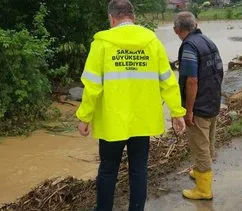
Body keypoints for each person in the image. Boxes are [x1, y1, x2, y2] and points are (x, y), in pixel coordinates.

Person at [76, 1, 186, 210]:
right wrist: (176, 112)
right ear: (133, 17)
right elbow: (168, 81)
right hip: (142, 121)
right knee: (138, 169)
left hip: (112, 121)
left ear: (112, 18)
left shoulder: (102, 43)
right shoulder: (152, 42)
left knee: (108, 169)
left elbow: (92, 87)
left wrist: (84, 117)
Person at [173, 11, 224, 200]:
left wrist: (189, 109)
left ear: (176, 30)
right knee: (208, 140)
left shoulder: (188, 46)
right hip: (213, 99)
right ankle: (200, 172)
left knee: (200, 145)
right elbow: (220, 70)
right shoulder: (208, 41)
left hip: (200, 105)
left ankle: (204, 190)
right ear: (196, 24)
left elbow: (192, 80)